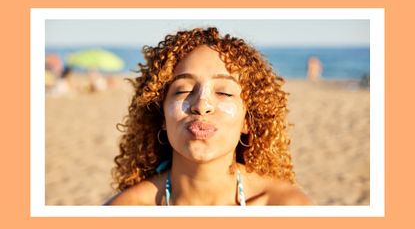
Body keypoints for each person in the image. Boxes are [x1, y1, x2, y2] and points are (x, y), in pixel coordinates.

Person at [106, 27, 311, 205]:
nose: (201, 105)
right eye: (183, 91)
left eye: (223, 92)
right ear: (161, 117)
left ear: (248, 121)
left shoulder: (284, 207)